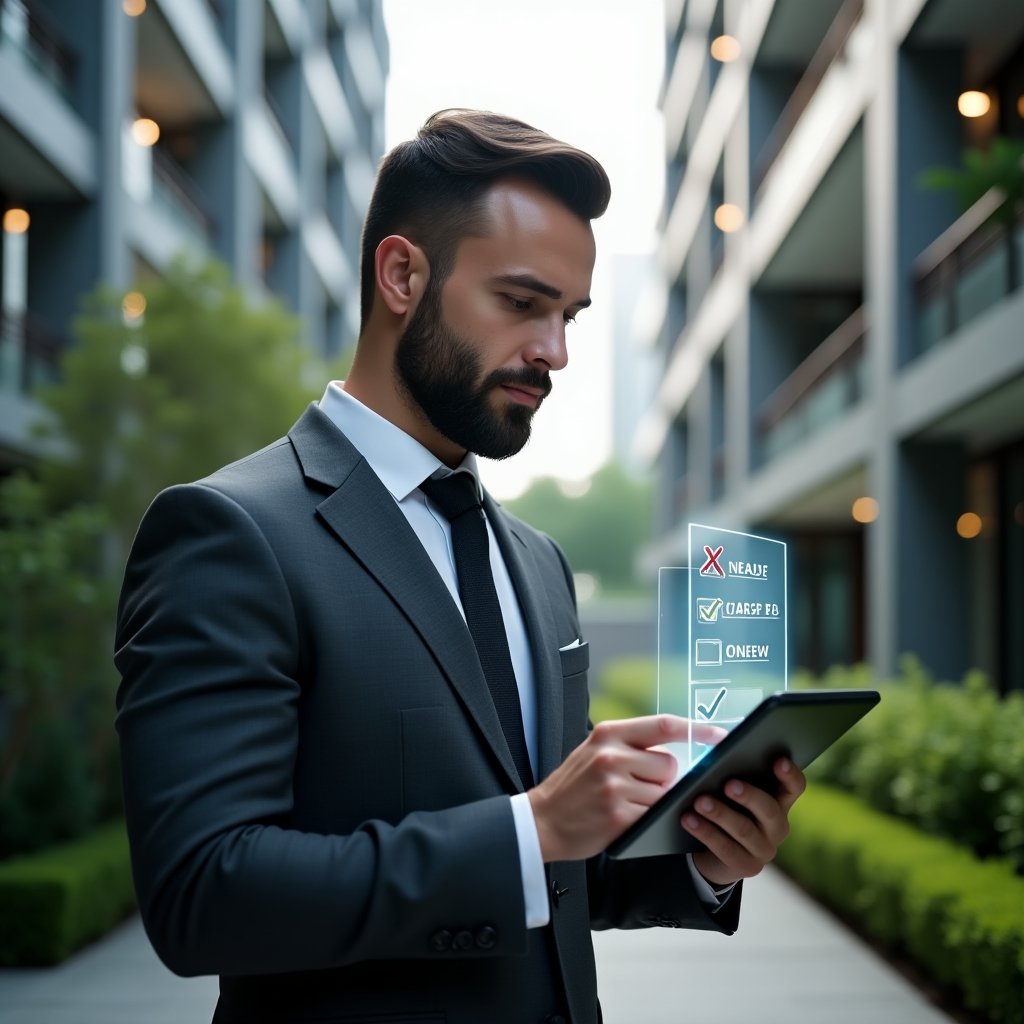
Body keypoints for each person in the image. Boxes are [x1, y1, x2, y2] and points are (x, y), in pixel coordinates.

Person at [115, 109, 806, 1024]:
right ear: (402, 274)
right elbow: (202, 894)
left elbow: (552, 873)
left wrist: (702, 860)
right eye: (522, 303)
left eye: (569, 315)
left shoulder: (536, 561)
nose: (554, 351)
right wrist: (530, 830)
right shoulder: (229, 533)